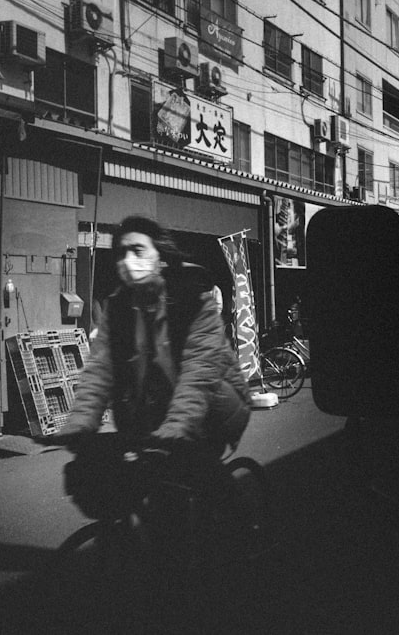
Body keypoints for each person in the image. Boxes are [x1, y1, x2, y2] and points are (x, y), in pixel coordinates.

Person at [47, 216, 251, 518]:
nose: (129, 260)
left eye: (138, 250)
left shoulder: (195, 300)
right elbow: (100, 370)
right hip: (152, 413)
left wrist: (177, 426)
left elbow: (200, 373)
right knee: (143, 489)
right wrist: (80, 424)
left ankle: (238, 530)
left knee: (201, 475)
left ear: (161, 256)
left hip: (213, 408)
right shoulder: (117, 308)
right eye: (121, 253)